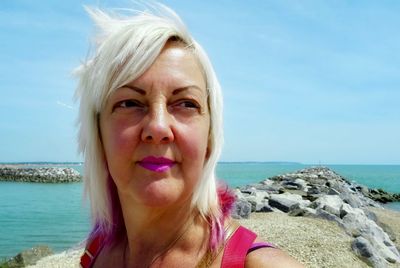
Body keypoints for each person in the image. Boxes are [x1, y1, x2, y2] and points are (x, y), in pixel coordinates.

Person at [75, 4, 303, 268]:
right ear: (98, 132)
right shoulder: (95, 252)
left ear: (210, 135)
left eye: (185, 103)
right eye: (129, 103)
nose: (158, 127)